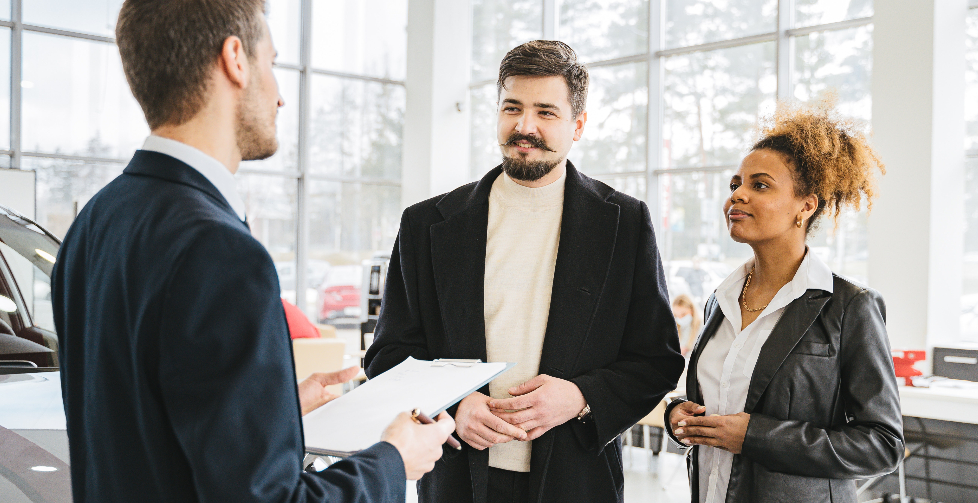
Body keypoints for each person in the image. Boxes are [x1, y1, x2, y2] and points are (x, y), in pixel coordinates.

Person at [51, 1, 453, 501]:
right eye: (273, 63)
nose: (280, 96)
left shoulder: (94, 223)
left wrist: (275, 421)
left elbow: (141, 437)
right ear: (235, 59)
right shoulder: (220, 252)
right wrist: (393, 462)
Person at [365, 40, 685, 503]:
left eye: (546, 112)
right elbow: (388, 353)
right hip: (457, 478)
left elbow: (656, 359)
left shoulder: (625, 223)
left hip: (576, 480)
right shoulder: (427, 223)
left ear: (578, 125)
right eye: (512, 107)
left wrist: (579, 397)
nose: (525, 126)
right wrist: (452, 402)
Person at [664, 99, 904, 503]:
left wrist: (755, 436)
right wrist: (679, 415)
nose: (737, 195)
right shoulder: (719, 301)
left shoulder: (849, 307)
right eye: (735, 184)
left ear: (805, 206)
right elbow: (721, 399)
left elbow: (881, 444)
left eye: (759, 185)